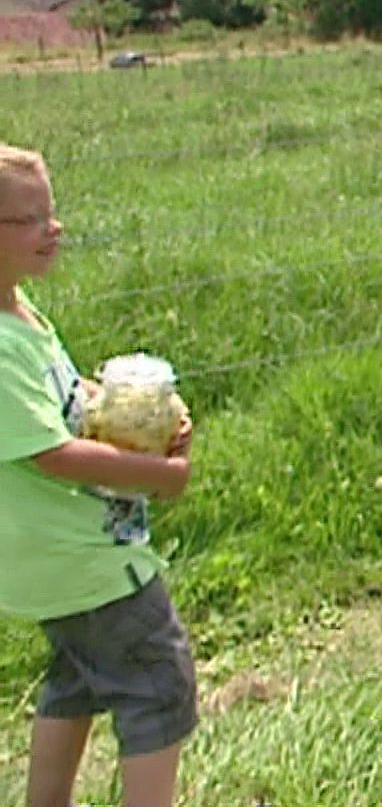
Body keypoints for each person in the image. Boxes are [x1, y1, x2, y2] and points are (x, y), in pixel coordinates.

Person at [0, 143, 197, 807]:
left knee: (79, 676)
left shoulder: (18, 313)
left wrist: (131, 408)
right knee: (159, 685)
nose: (52, 228)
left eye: (50, 212)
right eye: (28, 218)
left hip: (56, 564)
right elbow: (52, 452)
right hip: (85, 561)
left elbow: (62, 399)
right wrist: (155, 473)